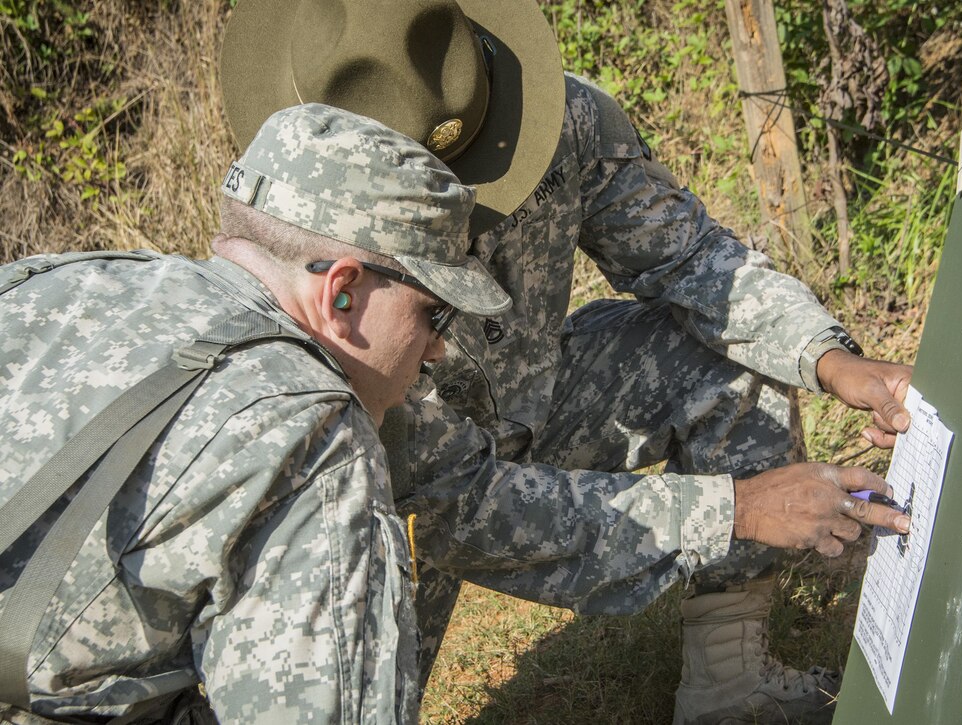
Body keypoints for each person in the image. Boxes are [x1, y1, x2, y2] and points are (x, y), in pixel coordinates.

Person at [221, 2, 914, 723]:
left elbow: (692, 258)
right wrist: (741, 509)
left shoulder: (560, 125)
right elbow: (464, 499)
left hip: (534, 411)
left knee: (722, 350)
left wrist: (831, 359)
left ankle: (729, 683)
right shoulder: (290, 239)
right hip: (387, 484)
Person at [0, 104, 511, 724]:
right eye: (436, 314)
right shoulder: (312, 436)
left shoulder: (55, 281)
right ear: (341, 291)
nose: (438, 347)